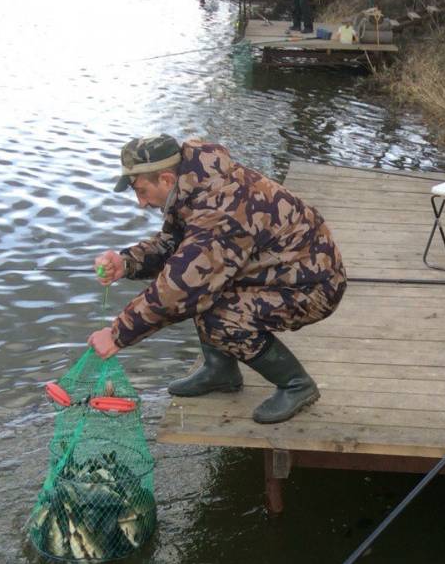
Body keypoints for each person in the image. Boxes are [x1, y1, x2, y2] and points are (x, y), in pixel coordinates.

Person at [88, 135, 346, 424]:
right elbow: (174, 245)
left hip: (312, 285)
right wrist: (126, 262)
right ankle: (220, 372)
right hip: (276, 270)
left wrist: (118, 334)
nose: (141, 203)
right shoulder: (194, 183)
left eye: (142, 191)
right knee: (205, 286)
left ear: (164, 178)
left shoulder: (217, 209)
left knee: (216, 314)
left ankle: (296, 385)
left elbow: (179, 288)